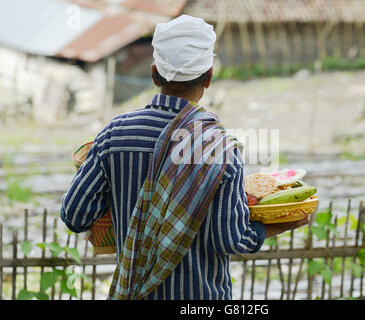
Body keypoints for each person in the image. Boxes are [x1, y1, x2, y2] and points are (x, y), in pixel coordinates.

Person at [60, 15, 308, 300]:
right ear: (209, 78)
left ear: (154, 74)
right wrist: (287, 222)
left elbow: (75, 215)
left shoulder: (113, 135)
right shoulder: (221, 148)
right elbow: (231, 239)